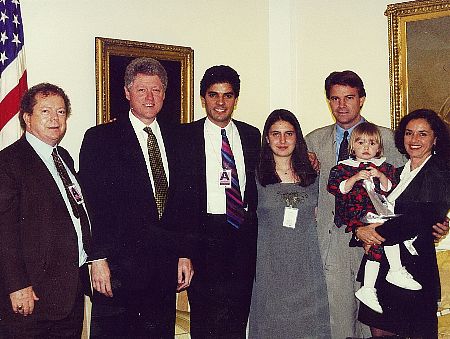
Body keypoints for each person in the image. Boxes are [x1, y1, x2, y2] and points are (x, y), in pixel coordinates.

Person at [304, 70, 449, 338]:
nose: (342, 105)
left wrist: (437, 219)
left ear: (362, 100)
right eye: (335, 99)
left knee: (376, 322)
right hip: (333, 242)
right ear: (328, 101)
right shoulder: (313, 141)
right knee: (338, 321)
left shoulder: (391, 139)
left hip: (383, 244)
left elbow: (410, 194)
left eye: (349, 97)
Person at [79, 57, 194, 338]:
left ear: (165, 94)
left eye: (156, 90)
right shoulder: (100, 138)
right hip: (116, 272)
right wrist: (97, 259)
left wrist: (183, 253)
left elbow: (183, 203)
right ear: (127, 92)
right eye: (142, 90)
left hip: (162, 270)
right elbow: (91, 203)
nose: (150, 97)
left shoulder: (178, 137)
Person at [0, 83, 92, 337]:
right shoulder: (8, 163)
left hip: (69, 290)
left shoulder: (63, 157)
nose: (55, 118)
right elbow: (4, 232)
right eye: (46, 111)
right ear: (27, 118)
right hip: (32, 295)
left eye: (61, 112)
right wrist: (17, 285)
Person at [181, 65, 261, 338]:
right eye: (213, 95)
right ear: (203, 98)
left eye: (227, 96)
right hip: (204, 236)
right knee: (205, 317)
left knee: (237, 315)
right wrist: (185, 250)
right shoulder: (184, 137)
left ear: (236, 99)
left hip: (242, 235)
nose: (220, 102)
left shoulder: (251, 135)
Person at [356, 109, 450, 337]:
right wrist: (359, 231)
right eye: (409, 133)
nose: (414, 140)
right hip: (382, 266)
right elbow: (368, 208)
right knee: (380, 334)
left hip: (413, 270)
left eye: (422, 134)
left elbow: (420, 219)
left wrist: (373, 233)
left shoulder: (440, 172)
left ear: (435, 138)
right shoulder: (395, 173)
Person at [248, 109, 331, 338]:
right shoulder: (254, 176)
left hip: (307, 268)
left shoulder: (313, 175)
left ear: (298, 137)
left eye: (289, 134)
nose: (282, 141)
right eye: (276, 134)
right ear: (267, 138)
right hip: (269, 269)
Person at [327, 122, 421, 315]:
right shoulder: (343, 168)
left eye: (371, 143)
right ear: (352, 146)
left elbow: (390, 188)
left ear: (379, 147)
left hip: (379, 212)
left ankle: (369, 287)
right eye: (361, 143)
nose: (366, 148)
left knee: (379, 244)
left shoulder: (384, 167)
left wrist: (379, 175)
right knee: (387, 233)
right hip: (358, 213)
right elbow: (338, 189)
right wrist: (355, 178)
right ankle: (393, 271)